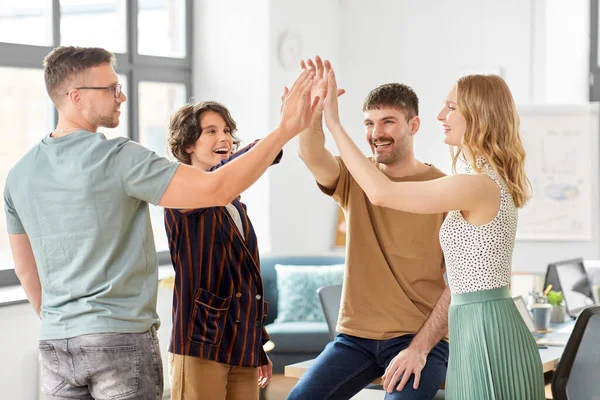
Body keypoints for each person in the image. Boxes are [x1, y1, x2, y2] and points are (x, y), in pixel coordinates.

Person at [3, 46, 317, 399]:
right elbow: (216, 187)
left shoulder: (18, 174)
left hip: (57, 342)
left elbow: (25, 269)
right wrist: (287, 128)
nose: (121, 95)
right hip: (120, 338)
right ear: (75, 96)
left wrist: (63, 322)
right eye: (110, 89)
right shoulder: (119, 157)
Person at [319, 59, 545, 399]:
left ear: (478, 115)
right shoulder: (481, 182)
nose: (441, 115)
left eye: (451, 107)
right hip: (473, 322)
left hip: (484, 326)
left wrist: (334, 123)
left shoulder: (477, 186)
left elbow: (381, 194)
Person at [288, 57, 450, 400]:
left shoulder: (444, 189)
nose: (376, 134)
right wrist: (314, 112)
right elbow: (312, 154)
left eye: (388, 121)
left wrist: (419, 348)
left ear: (414, 124)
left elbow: (459, 283)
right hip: (354, 339)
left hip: (418, 338)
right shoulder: (354, 177)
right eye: (369, 123)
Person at [165, 101, 279, 399]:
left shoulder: (235, 205)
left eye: (227, 130)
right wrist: (281, 131)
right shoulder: (179, 190)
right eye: (211, 131)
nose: (225, 138)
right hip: (201, 343)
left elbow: (244, 280)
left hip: (241, 346)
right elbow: (223, 177)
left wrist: (258, 346)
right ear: (188, 143)